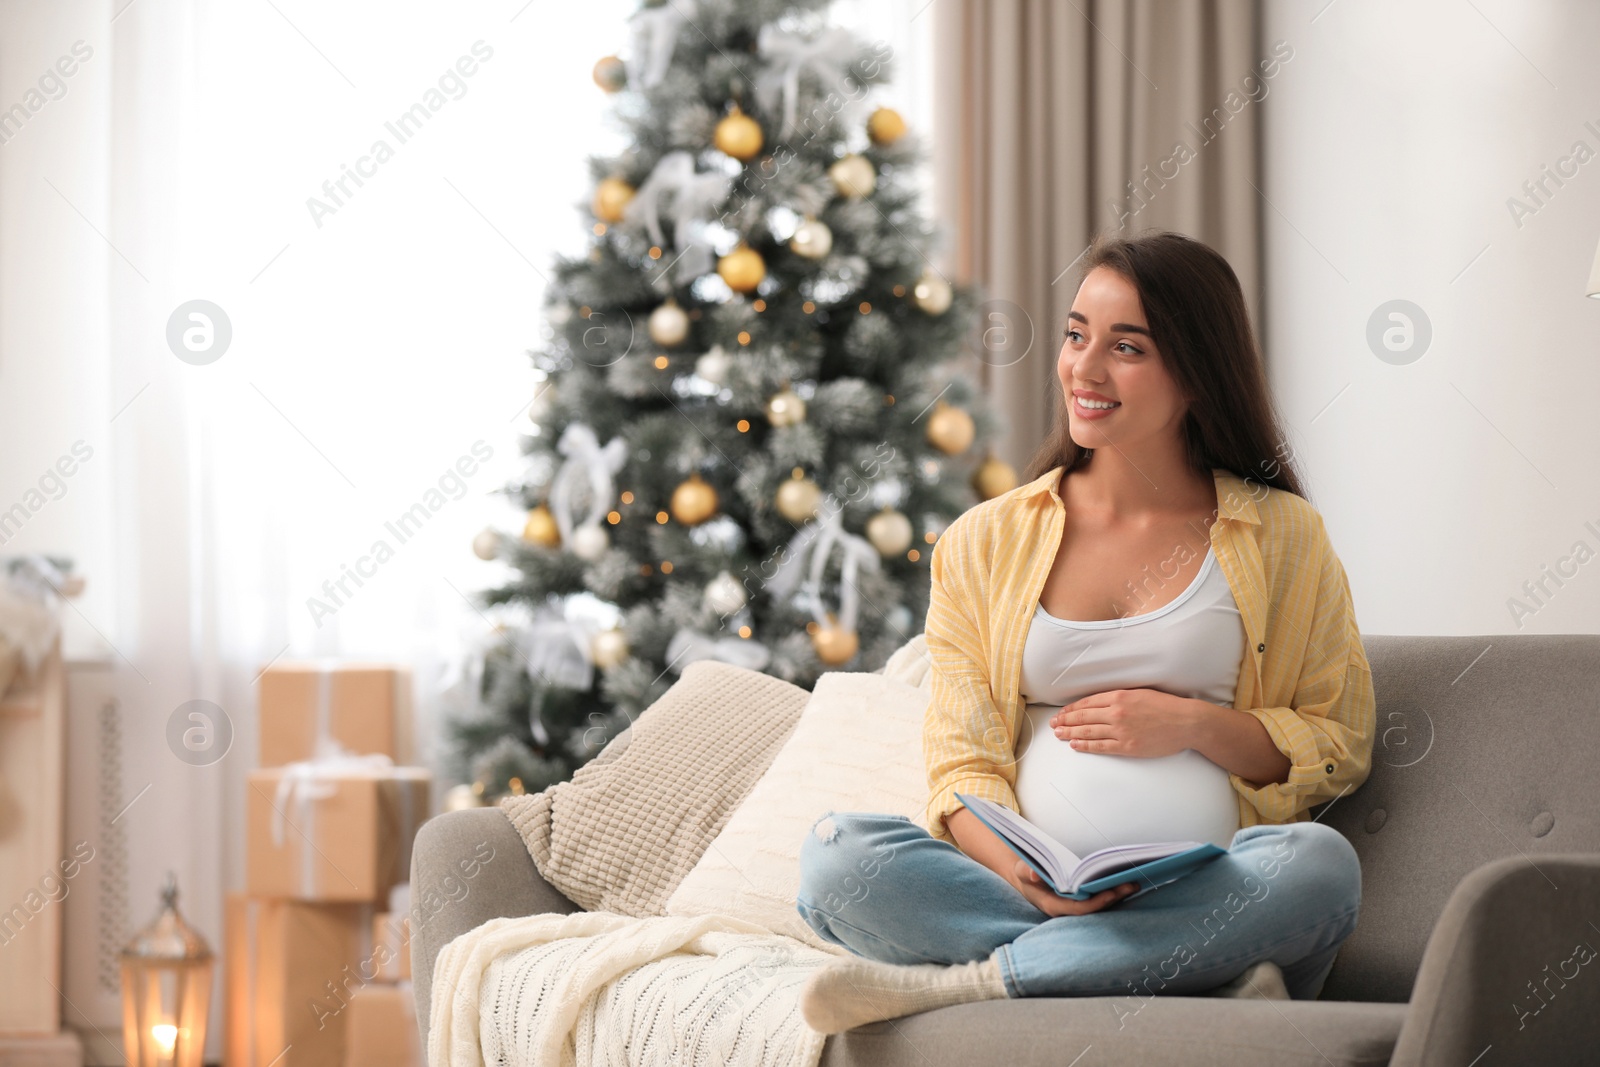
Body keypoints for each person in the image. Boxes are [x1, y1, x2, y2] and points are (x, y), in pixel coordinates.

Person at [794, 230, 1376, 1035]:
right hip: (1018, 887)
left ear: (1197, 372)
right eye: (1076, 335)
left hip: (1204, 882)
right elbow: (961, 762)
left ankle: (983, 981)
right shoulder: (985, 541)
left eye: (1125, 347)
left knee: (1318, 870)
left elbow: (1339, 737)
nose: (1084, 369)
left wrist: (1194, 724)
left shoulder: (1281, 534)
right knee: (835, 858)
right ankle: (1177, 970)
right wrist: (1027, 876)